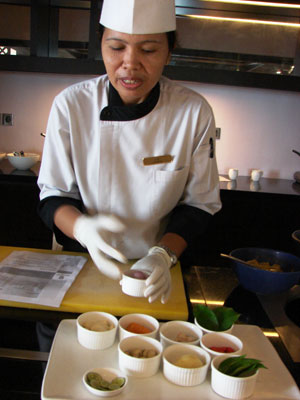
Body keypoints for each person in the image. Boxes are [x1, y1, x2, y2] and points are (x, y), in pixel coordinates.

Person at [37, 0, 222, 305]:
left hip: (155, 274)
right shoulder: (71, 105)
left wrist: (162, 255)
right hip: (79, 266)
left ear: (169, 51)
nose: (130, 64)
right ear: (101, 45)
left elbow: (199, 206)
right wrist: (82, 229)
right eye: (116, 47)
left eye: (148, 50)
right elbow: (53, 197)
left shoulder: (193, 112)